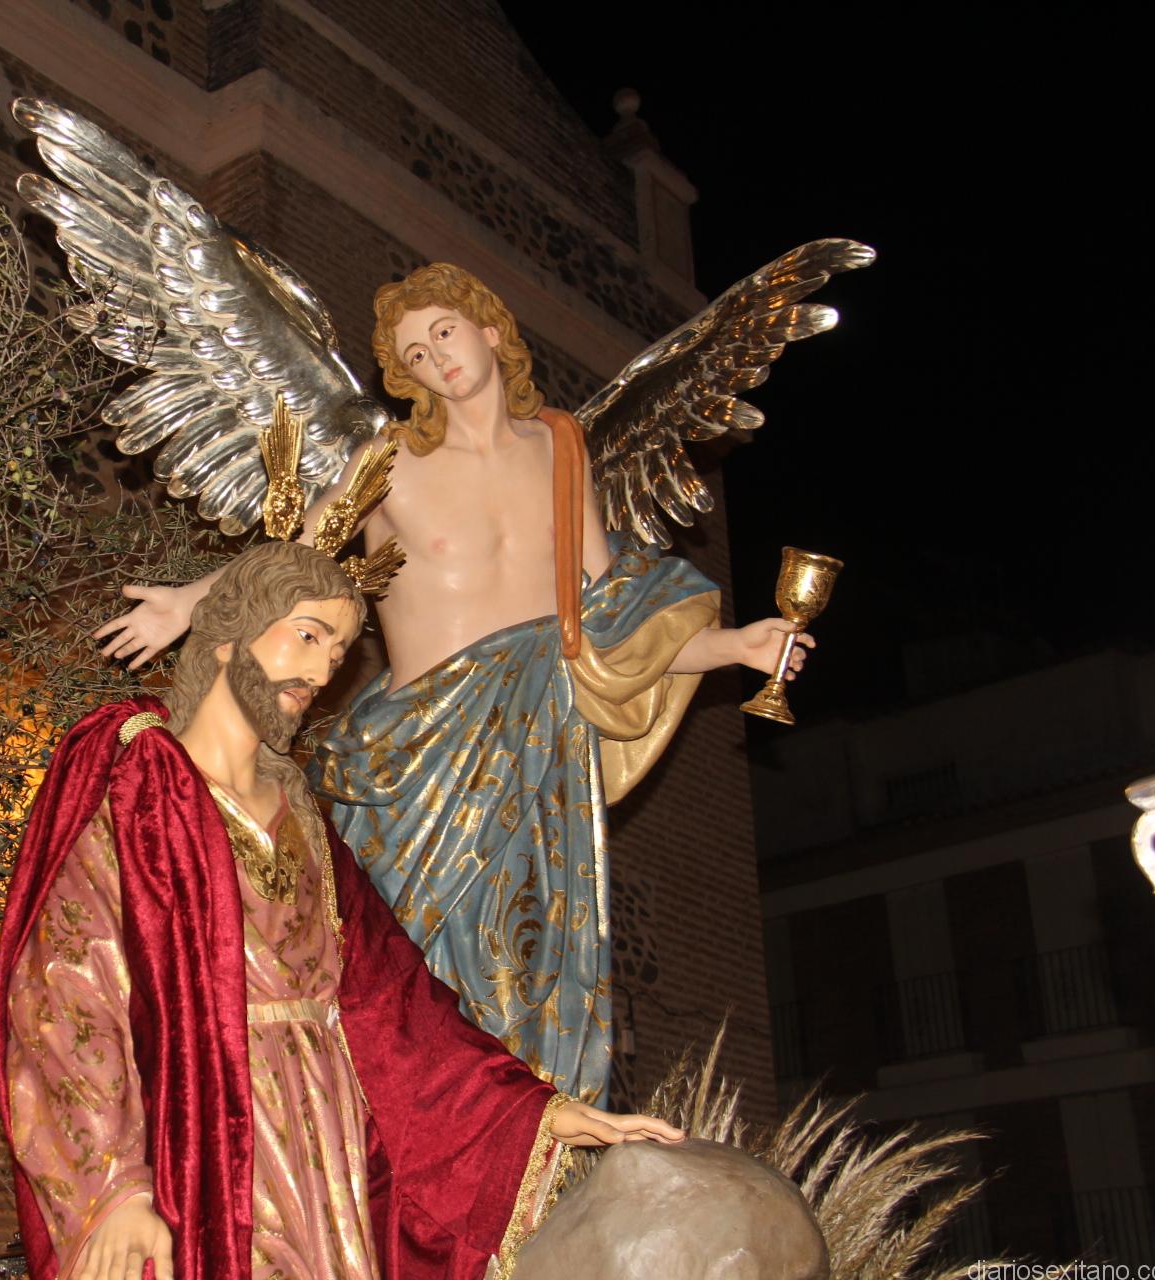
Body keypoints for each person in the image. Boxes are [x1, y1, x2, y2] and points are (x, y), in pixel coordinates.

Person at [92, 264, 811, 1101]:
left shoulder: (562, 451)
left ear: (491, 331)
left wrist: (734, 646)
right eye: (413, 355)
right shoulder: (391, 460)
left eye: (443, 333)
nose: (435, 358)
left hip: (537, 760)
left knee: (520, 978)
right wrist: (188, 603)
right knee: (394, 973)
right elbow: (295, 558)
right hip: (414, 765)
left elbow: (609, 623)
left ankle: (520, 1153)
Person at [0, 540, 685, 1280]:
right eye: (307, 636)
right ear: (229, 635)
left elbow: (396, 1006)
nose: (323, 673)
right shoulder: (139, 785)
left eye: (337, 652)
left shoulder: (304, 819)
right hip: (200, 1136)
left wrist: (536, 1112)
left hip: (326, 1153)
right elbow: (65, 994)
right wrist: (114, 1187)